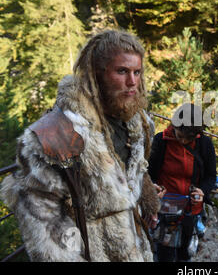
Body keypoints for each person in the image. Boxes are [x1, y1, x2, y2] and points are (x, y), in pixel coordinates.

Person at [0, 30, 161, 261]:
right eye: (122, 71)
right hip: (93, 251)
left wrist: (145, 196)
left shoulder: (137, 122)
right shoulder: (58, 132)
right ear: (97, 73)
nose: (132, 82)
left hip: (136, 246)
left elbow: (134, 169)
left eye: (137, 72)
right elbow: (43, 222)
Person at [148, 103, 217, 262]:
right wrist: (152, 186)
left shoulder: (204, 144)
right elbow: (149, 173)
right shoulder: (161, 141)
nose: (184, 141)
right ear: (174, 126)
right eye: (180, 136)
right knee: (164, 251)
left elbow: (210, 177)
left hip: (190, 209)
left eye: (189, 138)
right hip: (166, 209)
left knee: (184, 253)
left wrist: (202, 191)